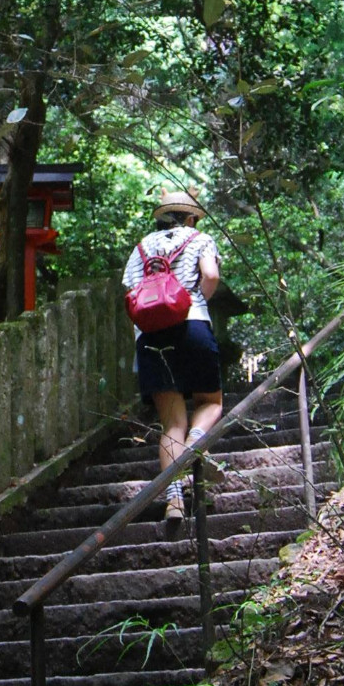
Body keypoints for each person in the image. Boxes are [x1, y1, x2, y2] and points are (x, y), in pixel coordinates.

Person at [122, 187, 224, 526]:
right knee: (210, 402)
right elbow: (210, 275)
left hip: (150, 336)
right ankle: (197, 445)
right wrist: (198, 299)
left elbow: (130, 295)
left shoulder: (140, 249)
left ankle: (174, 502)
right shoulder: (200, 238)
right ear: (191, 215)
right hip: (191, 324)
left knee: (172, 424)